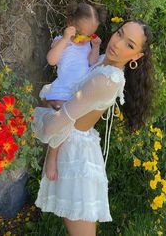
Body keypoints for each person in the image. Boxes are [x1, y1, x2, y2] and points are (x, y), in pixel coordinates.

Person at [32, 20, 154, 236]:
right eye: (119, 34)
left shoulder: (107, 80)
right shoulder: (101, 63)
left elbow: (53, 127)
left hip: (75, 155)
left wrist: (39, 108)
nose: (117, 44)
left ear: (136, 57)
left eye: (130, 45)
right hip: (68, 144)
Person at [40, 1, 106, 181]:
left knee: (70, 126)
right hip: (62, 91)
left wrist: (96, 47)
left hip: (77, 93)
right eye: (80, 33)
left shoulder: (87, 45)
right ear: (70, 24)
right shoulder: (63, 43)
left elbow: (92, 63)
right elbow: (52, 60)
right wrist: (64, 39)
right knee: (64, 119)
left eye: (89, 35)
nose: (84, 38)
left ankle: (57, 155)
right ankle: (52, 157)